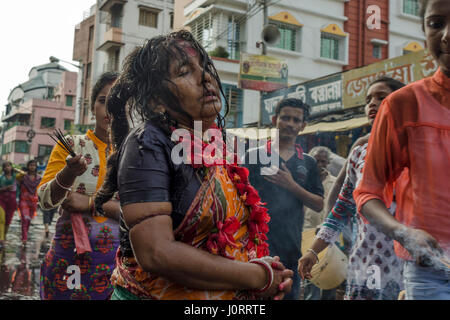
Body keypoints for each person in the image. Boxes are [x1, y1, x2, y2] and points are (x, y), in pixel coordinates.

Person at [94, 30, 293, 300]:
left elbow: (228, 239)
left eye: (205, 66)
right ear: (156, 100)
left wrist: (264, 273)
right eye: (185, 71)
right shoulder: (148, 143)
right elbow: (155, 252)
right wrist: (259, 276)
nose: (206, 77)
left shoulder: (216, 143)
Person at [353, 0, 450, 300]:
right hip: (432, 273)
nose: (446, 34)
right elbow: (367, 193)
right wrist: (404, 233)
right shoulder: (401, 105)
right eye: (436, 24)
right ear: (424, 33)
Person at [299, 77, 406, 300]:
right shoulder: (359, 153)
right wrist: (313, 251)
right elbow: (341, 209)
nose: (372, 104)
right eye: (368, 100)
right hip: (364, 261)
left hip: (405, 264)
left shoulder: (416, 150)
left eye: (381, 97)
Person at [37, 72, 121, 300]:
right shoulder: (72, 145)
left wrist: (91, 203)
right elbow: (44, 200)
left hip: (117, 270)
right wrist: (68, 174)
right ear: (92, 106)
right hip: (68, 260)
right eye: (103, 101)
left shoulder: (134, 154)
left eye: (118, 102)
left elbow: (138, 213)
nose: (110, 109)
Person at [245, 98, 324, 300]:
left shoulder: (308, 162)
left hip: (292, 248)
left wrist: (292, 186)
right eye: (285, 118)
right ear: (274, 120)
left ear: (303, 125)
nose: (290, 123)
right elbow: (239, 197)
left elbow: (318, 204)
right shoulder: (254, 156)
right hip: (256, 244)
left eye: (296, 120)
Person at [302, 146, 337, 300]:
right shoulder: (303, 183)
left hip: (330, 238)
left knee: (330, 279)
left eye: (324, 161)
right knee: (311, 279)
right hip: (307, 236)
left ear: (328, 163)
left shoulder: (335, 183)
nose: (321, 165)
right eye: (317, 161)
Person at [16, 160, 41, 247]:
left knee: (29, 220)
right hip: (23, 200)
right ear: (28, 166)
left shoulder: (39, 178)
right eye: (31, 165)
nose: (32, 167)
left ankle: (24, 236)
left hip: (33, 201)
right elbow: (17, 183)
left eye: (34, 165)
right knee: (24, 219)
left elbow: (40, 189)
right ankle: (24, 239)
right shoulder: (23, 176)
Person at [0, 161, 18, 248]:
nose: (7, 168)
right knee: (2, 219)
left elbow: (24, 174)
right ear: (3, 168)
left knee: (8, 220)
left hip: (12, 201)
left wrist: (15, 169)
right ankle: (1, 238)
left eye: (9, 166)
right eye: (5, 166)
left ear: (11, 167)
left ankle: (4, 236)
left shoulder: (16, 177)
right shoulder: (1, 177)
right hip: (1, 200)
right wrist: (5, 188)